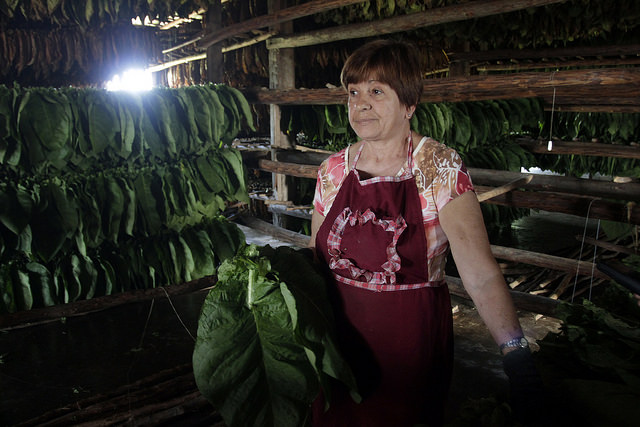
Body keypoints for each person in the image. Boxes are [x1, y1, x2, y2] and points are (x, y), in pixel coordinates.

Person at [308, 39, 543, 426]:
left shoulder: (439, 169)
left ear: (409, 104)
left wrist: (514, 351)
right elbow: (317, 264)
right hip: (337, 346)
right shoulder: (332, 171)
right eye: (353, 92)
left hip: (408, 344)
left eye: (377, 91)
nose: (361, 103)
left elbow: (480, 275)